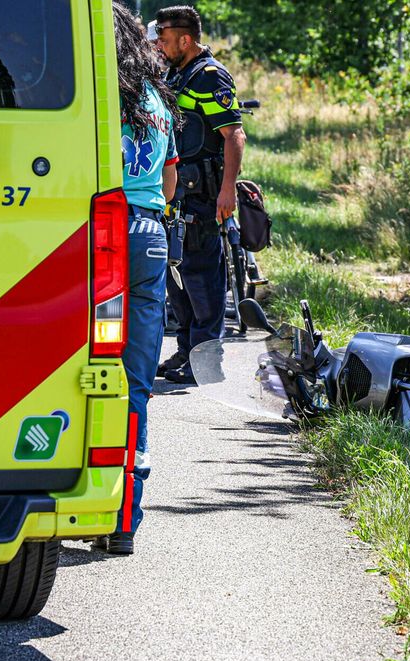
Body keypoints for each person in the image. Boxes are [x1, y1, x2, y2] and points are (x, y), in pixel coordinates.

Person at [95, 0, 180, 556]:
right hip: (150, 232)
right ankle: (126, 519)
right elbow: (170, 178)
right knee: (136, 377)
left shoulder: (102, 97)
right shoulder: (157, 101)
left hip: (103, 233)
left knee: (91, 360)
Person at [152, 5, 247, 385]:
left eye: (164, 37)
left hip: (203, 194)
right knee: (177, 275)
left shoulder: (210, 76)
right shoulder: (176, 74)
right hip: (176, 193)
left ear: (185, 39)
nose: (159, 43)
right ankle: (186, 349)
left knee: (202, 276)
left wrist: (228, 192)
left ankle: (207, 360)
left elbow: (234, 135)